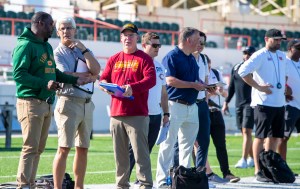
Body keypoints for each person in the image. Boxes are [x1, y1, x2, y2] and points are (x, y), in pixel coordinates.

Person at [12, 12, 89, 189]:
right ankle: (23, 185)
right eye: (49, 25)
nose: (52, 29)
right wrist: (44, 83)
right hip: (30, 102)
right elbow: (19, 75)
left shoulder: (46, 47)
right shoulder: (25, 45)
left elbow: (55, 73)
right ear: (39, 24)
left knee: (38, 149)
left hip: (45, 102)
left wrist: (75, 80)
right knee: (30, 148)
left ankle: (30, 184)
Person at [100, 23, 155, 189]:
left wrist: (133, 88)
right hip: (116, 114)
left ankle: (145, 184)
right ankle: (121, 185)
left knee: (140, 154)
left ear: (137, 38)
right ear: (121, 38)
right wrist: (105, 86)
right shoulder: (114, 58)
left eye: (131, 35)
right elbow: (103, 79)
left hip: (137, 114)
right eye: (125, 35)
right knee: (120, 155)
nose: (128, 38)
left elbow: (151, 80)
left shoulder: (144, 58)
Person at [52, 17, 100, 189]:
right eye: (62, 28)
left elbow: (97, 70)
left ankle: (79, 187)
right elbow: (65, 74)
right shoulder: (57, 52)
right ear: (57, 32)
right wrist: (89, 77)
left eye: (69, 28)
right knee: (64, 148)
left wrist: (84, 49)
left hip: (87, 103)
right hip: (69, 102)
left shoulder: (83, 49)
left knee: (83, 148)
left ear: (75, 30)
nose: (66, 31)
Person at [156, 27, 207, 188]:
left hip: (192, 106)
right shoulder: (172, 56)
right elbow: (169, 80)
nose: (200, 43)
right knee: (168, 144)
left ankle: (184, 179)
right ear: (188, 40)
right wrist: (193, 85)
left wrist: (205, 86)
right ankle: (162, 180)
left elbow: (193, 79)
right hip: (174, 105)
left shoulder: (192, 58)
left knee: (187, 146)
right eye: (198, 40)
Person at [238, 28, 288, 182]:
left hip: (280, 103)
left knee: (274, 138)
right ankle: (258, 170)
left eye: (280, 40)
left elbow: (283, 74)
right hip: (263, 104)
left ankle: (269, 167)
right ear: (267, 39)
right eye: (276, 39)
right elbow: (242, 71)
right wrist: (259, 87)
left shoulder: (281, 56)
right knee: (260, 137)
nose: (279, 42)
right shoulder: (259, 55)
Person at [128, 32, 169, 185]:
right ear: (144, 45)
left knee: (147, 150)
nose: (157, 48)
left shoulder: (159, 66)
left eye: (159, 45)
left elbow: (164, 94)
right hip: (139, 113)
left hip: (156, 114)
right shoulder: (136, 62)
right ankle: (123, 180)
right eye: (154, 45)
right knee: (133, 150)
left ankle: (140, 179)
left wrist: (166, 113)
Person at [206, 56, 240, 183]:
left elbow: (225, 94)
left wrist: (220, 91)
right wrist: (211, 93)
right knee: (203, 145)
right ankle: (205, 173)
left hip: (216, 112)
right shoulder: (197, 73)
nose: (208, 69)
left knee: (221, 144)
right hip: (204, 112)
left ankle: (226, 172)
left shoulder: (216, 73)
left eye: (209, 66)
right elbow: (199, 96)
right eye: (207, 66)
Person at [222, 46, 255, 169]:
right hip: (238, 104)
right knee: (243, 132)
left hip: (251, 104)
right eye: (245, 53)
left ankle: (244, 160)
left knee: (247, 131)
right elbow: (231, 86)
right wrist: (226, 102)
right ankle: (252, 158)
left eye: (249, 54)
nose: (246, 55)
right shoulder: (236, 67)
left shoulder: (256, 68)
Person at [277, 39, 300, 161]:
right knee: (284, 137)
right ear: (290, 48)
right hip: (290, 105)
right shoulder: (284, 62)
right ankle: (282, 165)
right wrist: (285, 88)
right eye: (298, 48)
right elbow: (277, 78)